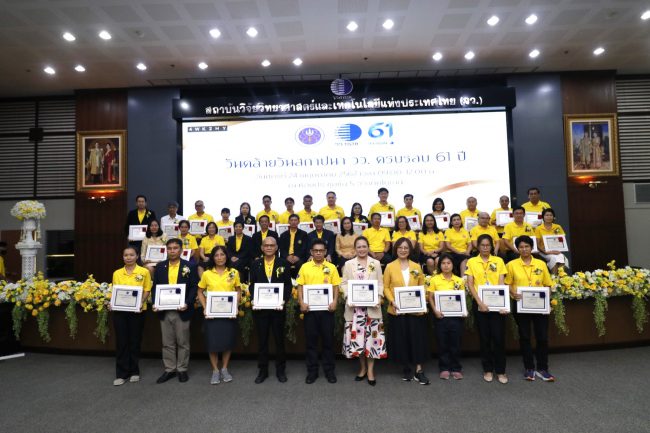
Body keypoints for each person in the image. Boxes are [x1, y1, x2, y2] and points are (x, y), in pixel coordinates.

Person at [506, 236, 555, 382]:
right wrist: (513, 293)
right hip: (520, 305)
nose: (524, 249)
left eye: (527, 246)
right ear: (517, 249)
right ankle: (529, 368)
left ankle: (543, 368)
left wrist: (547, 301)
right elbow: (507, 283)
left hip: (540, 306)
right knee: (525, 337)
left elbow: (548, 285)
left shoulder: (541, 264)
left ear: (531, 248)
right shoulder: (511, 265)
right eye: (521, 247)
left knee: (542, 337)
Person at [152, 238, 199, 384]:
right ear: (167, 250)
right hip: (165, 310)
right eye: (170, 248)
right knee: (167, 342)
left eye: (175, 248)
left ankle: (182, 369)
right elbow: (155, 287)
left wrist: (187, 303)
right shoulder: (160, 266)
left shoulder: (190, 266)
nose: (172, 251)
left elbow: (194, 287)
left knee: (183, 342)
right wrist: (155, 303)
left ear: (181, 250)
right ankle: (170, 369)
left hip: (182, 309)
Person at [383, 238, 430, 384]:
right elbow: (386, 287)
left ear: (410, 250)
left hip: (415, 310)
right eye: (400, 247)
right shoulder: (390, 266)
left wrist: (422, 299)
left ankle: (419, 370)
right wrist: (392, 300)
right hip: (397, 309)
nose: (403, 250)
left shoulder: (416, 266)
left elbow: (422, 286)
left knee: (417, 339)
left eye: (406, 248)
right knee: (402, 339)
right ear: (396, 249)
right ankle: (406, 367)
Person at [341, 236, 386, 386]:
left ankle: (371, 370)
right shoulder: (348, 264)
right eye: (359, 247)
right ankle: (363, 368)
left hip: (372, 309)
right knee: (359, 341)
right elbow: (344, 284)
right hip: (355, 310)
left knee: (372, 341)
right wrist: (349, 296)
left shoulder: (376, 263)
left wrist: (378, 297)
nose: (361, 249)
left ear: (368, 247)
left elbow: (380, 283)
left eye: (364, 246)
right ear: (355, 249)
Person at [465, 234, 509, 384]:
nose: (485, 248)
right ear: (477, 246)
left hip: (497, 305)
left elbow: (501, 283)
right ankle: (488, 369)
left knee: (498, 338)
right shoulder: (472, 261)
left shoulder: (498, 261)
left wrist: (503, 305)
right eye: (482, 245)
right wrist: (480, 303)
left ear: (491, 246)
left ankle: (501, 371)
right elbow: (470, 284)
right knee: (484, 338)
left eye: (487, 245)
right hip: (480, 304)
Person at [249, 237, 293, 383]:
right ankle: (263, 370)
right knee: (262, 341)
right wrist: (254, 299)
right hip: (261, 310)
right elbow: (252, 285)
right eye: (266, 245)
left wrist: (283, 299)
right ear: (262, 248)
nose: (269, 247)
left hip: (278, 309)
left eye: (271, 245)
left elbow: (288, 285)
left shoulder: (283, 263)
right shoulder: (255, 264)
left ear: (276, 247)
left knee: (279, 341)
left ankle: (281, 370)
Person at [297, 239, 341, 384]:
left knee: (328, 342)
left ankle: (329, 371)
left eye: (321, 251)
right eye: (315, 250)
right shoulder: (304, 267)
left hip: (327, 310)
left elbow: (335, 286)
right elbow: (300, 286)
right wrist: (301, 302)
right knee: (311, 342)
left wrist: (335, 301)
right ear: (311, 252)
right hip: (310, 311)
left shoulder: (331, 267)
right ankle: (312, 372)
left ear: (325, 252)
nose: (318, 253)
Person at [197, 246, 241, 385]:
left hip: (228, 314)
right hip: (212, 314)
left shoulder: (233, 272)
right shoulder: (207, 274)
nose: (220, 257)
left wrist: (235, 306)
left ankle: (224, 368)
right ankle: (215, 370)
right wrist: (205, 307)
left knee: (227, 342)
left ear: (226, 256)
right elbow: (200, 291)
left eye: (222, 254)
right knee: (212, 343)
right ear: (213, 258)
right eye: (216, 255)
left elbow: (238, 290)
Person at [110, 246, 151, 386]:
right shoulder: (117, 273)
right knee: (121, 342)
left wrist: (141, 302)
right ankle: (121, 374)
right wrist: (112, 303)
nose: (128, 257)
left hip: (137, 311)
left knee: (134, 341)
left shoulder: (144, 272)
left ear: (137, 256)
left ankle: (134, 371)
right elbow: (115, 291)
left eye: (131, 255)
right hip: (120, 312)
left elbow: (147, 290)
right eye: (126, 255)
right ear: (123, 257)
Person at [427, 253, 466, 380]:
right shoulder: (434, 280)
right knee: (442, 343)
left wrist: (463, 311)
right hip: (440, 317)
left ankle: (456, 368)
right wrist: (435, 311)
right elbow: (430, 297)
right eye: (443, 263)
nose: (446, 266)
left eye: (448, 263)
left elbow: (462, 299)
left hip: (456, 318)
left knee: (456, 343)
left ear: (453, 265)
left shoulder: (459, 280)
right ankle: (444, 368)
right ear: (439, 266)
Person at [535, 208, 570, 274]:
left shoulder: (558, 227)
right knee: (553, 258)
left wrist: (559, 250)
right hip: (543, 251)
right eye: (547, 215)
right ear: (543, 217)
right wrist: (545, 252)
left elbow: (562, 241)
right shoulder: (538, 228)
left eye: (551, 215)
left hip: (556, 250)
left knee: (562, 257)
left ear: (553, 217)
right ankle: (554, 277)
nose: (549, 217)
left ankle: (560, 277)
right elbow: (538, 244)